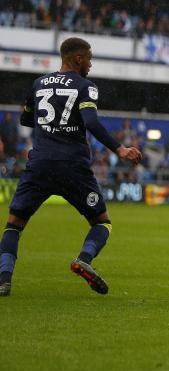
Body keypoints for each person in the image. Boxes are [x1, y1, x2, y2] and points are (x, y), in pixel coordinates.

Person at [0, 37, 142, 297]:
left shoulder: (38, 83)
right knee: (102, 222)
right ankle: (84, 259)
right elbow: (91, 122)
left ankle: (4, 280)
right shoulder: (85, 86)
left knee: (13, 225)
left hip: (40, 164)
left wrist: (50, 128)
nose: (90, 63)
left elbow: (25, 118)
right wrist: (120, 149)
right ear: (77, 59)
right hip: (72, 166)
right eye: (89, 58)